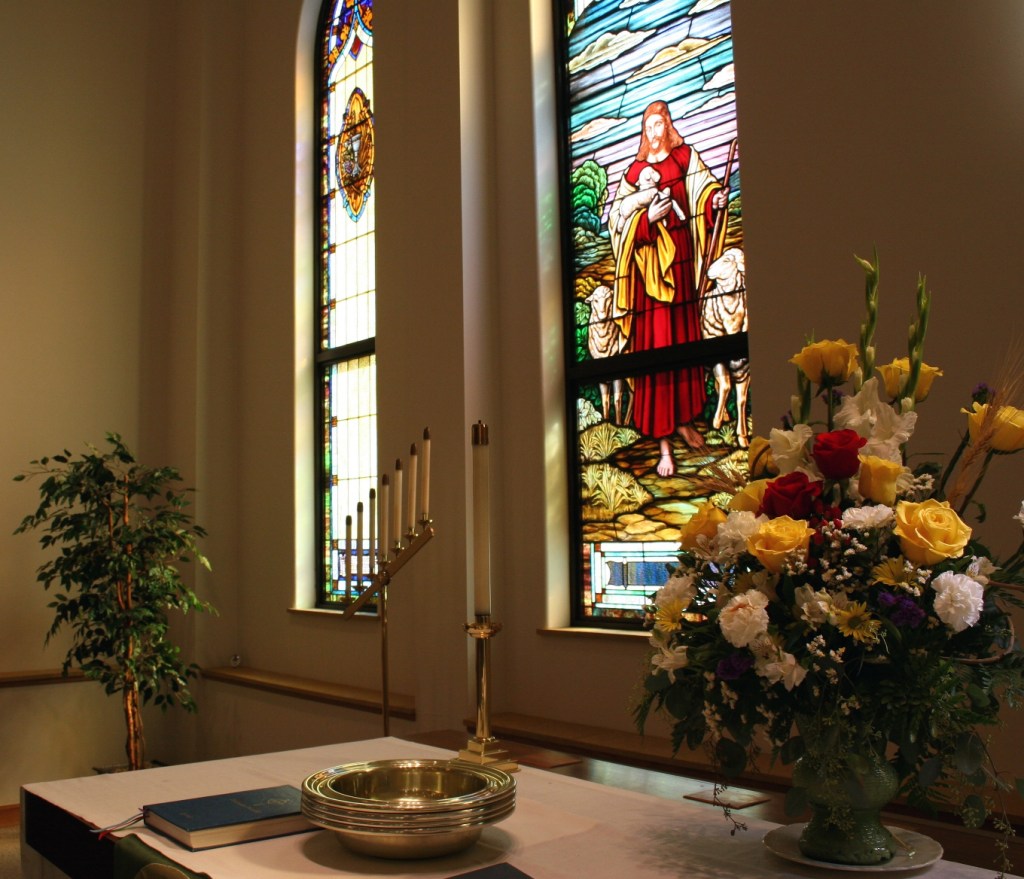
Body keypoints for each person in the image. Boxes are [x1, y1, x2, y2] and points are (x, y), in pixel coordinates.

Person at [608, 100, 729, 476]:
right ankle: (663, 444)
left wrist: (714, 201)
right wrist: (646, 219)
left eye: (658, 125)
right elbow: (618, 224)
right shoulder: (634, 174)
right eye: (648, 127)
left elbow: (703, 193)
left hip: (682, 268)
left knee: (683, 342)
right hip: (650, 281)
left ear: (668, 126)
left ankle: (683, 421)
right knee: (657, 349)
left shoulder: (684, 158)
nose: (653, 132)